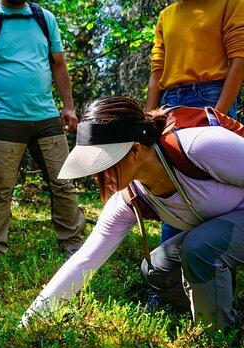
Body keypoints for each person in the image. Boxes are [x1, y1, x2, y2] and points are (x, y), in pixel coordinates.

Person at [21, 96, 244, 332]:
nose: (99, 176)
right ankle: (223, 313)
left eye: (105, 164)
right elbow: (84, 260)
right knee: (157, 268)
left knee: (199, 248)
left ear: (135, 150)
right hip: (224, 233)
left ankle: (218, 339)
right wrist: (30, 321)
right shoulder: (131, 196)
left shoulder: (199, 146)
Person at [0, 0, 85, 261]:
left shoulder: (45, 18)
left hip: (46, 116)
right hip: (5, 117)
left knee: (64, 182)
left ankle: (73, 247)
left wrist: (68, 107)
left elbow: (58, 64)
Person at [145, 0, 244, 242]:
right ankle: (170, 261)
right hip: (169, 102)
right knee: (172, 175)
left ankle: (212, 259)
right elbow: (157, 70)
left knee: (210, 177)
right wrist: (148, 115)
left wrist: (218, 115)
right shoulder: (167, 15)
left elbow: (239, 58)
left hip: (210, 94)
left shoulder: (230, 3)